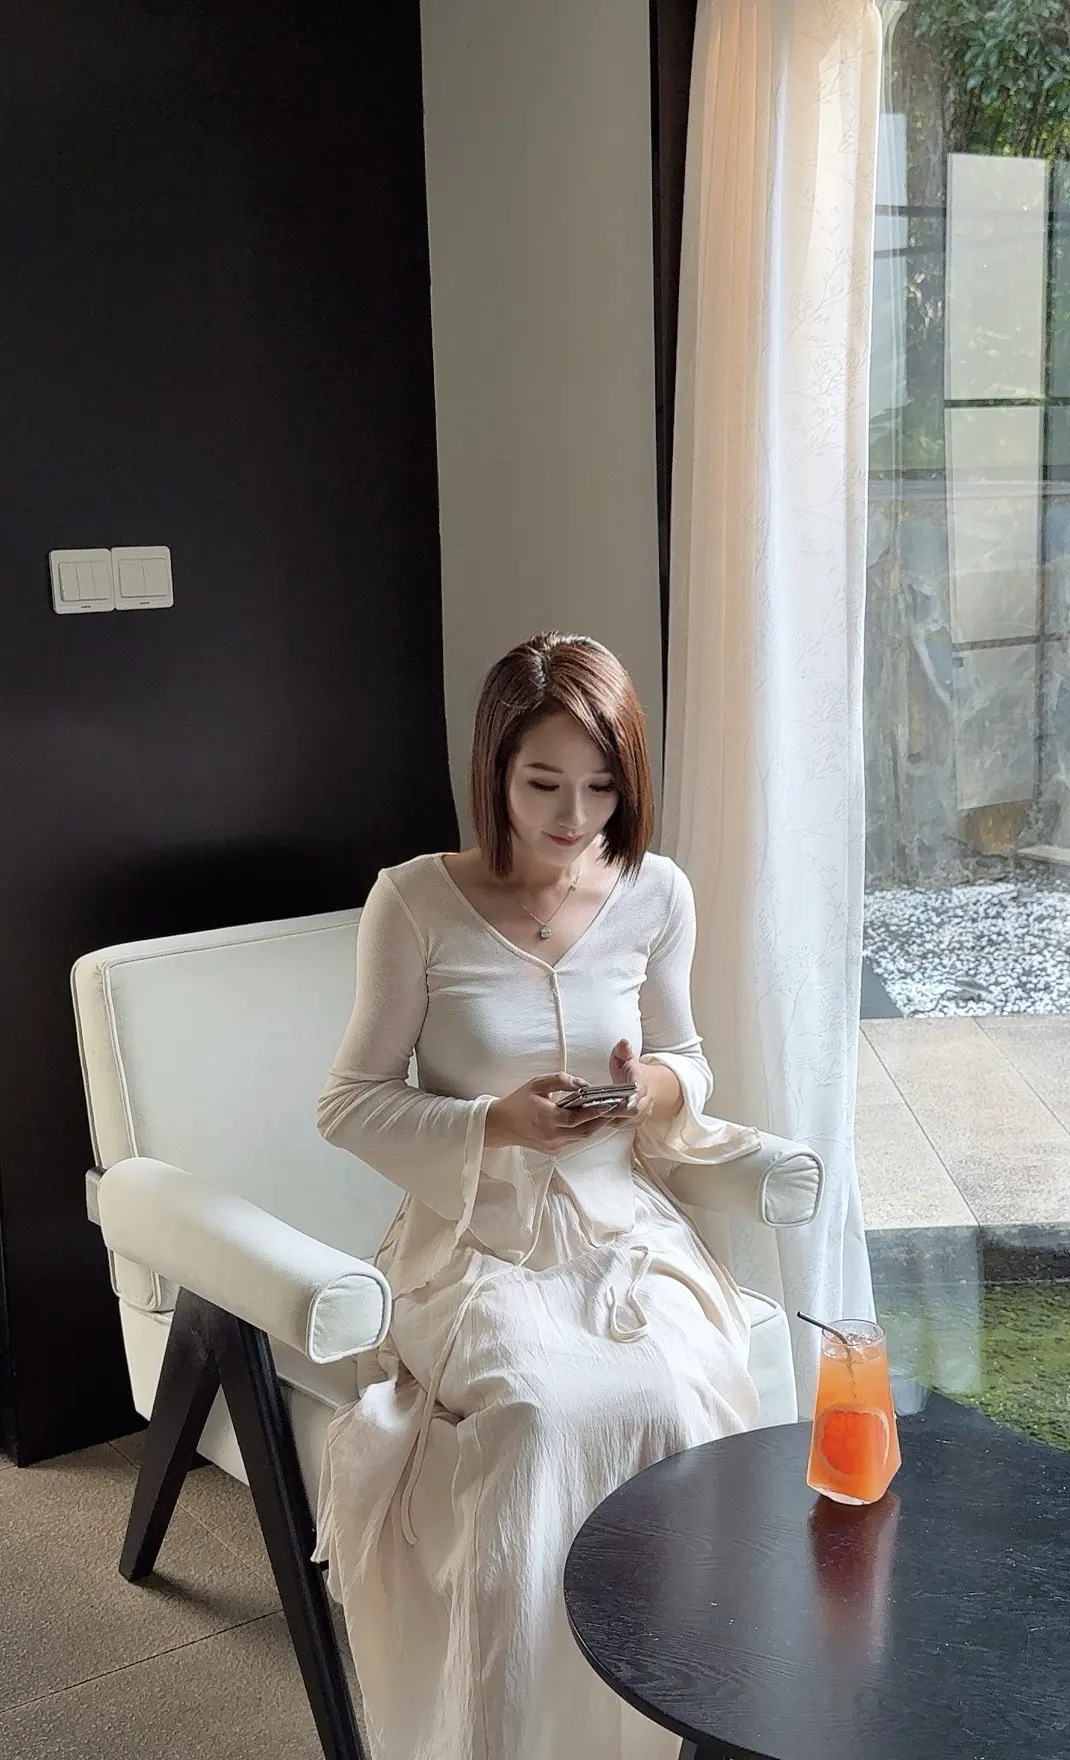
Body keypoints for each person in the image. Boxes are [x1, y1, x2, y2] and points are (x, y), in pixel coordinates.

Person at [313, 632, 761, 1760]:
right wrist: (497, 1122)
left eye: (603, 787)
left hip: (623, 1234)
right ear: (494, 771)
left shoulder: (656, 892)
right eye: (544, 784)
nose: (575, 816)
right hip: (476, 1243)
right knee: (541, 1413)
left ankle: (675, 1723)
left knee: (674, 1400)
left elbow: (691, 1056)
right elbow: (349, 1102)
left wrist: (652, 1087)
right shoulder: (414, 901)